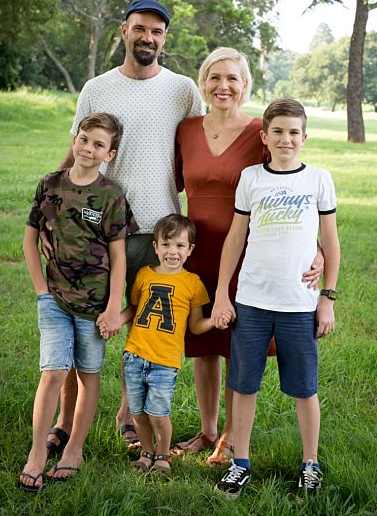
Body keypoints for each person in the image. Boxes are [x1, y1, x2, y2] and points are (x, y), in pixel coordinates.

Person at [45, 0, 204, 453]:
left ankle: (127, 413)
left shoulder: (182, 90)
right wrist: (55, 200)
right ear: (124, 31)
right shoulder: (97, 88)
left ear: (164, 38)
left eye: (156, 31)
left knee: (144, 328)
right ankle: (63, 419)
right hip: (99, 229)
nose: (147, 38)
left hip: (158, 233)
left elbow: (202, 149)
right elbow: (80, 150)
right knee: (85, 325)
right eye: (140, 29)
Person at [171, 48, 324, 465]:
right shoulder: (185, 130)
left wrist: (321, 254)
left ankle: (232, 439)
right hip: (198, 253)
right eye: (215, 77)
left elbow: (297, 193)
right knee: (203, 343)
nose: (224, 86)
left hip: (248, 255)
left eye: (233, 79)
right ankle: (206, 430)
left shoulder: (261, 130)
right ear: (203, 82)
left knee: (239, 346)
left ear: (245, 85)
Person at [210, 98, 340, 499]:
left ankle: (310, 464)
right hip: (251, 301)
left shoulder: (318, 179)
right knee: (244, 384)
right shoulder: (251, 178)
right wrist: (221, 295)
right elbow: (235, 239)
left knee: (304, 388)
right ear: (264, 137)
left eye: (294, 132)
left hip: (299, 305)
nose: (286, 139)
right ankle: (240, 462)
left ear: (305, 137)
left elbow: (331, 243)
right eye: (278, 131)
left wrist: (328, 298)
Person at [18, 113, 138, 492]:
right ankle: (37, 453)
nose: (88, 148)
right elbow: (29, 241)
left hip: (94, 304)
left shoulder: (111, 195)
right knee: (53, 372)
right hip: (53, 298)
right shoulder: (49, 185)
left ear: (110, 153)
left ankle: (74, 449)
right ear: (75, 140)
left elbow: (119, 257)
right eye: (84, 139)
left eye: (98, 144)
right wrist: (41, 290)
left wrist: (112, 307)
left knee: (88, 375)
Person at [113, 214, 215, 476]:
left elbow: (195, 326)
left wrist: (215, 320)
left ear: (190, 249)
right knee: (138, 413)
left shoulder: (193, 283)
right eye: (167, 244)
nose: (173, 251)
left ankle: (163, 454)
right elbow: (135, 309)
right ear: (155, 247)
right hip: (134, 356)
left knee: (158, 414)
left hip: (164, 362)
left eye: (180, 246)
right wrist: (115, 320)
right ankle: (146, 452)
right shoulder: (144, 275)